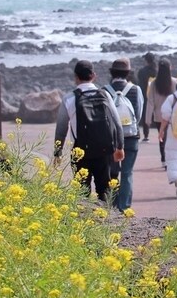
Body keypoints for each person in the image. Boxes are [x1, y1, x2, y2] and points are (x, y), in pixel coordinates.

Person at [52, 59, 124, 202]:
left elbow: (61, 128)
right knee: (104, 191)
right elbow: (117, 123)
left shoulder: (69, 98)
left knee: (81, 193)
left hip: (80, 151)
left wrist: (57, 152)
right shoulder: (105, 95)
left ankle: (84, 222)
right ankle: (105, 221)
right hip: (104, 151)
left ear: (76, 78)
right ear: (94, 75)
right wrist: (120, 147)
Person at [106, 57, 145, 212]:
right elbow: (139, 114)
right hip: (131, 136)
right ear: (128, 73)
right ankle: (125, 206)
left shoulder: (104, 90)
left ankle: (112, 204)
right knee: (127, 172)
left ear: (112, 72)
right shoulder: (136, 90)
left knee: (113, 172)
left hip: (111, 138)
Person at [144, 56, 174, 166]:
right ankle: (170, 158)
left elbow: (150, 101)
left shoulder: (153, 83)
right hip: (173, 115)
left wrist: (147, 119)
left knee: (162, 137)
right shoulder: (175, 82)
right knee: (172, 137)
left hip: (158, 116)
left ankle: (163, 160)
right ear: (170, 68)